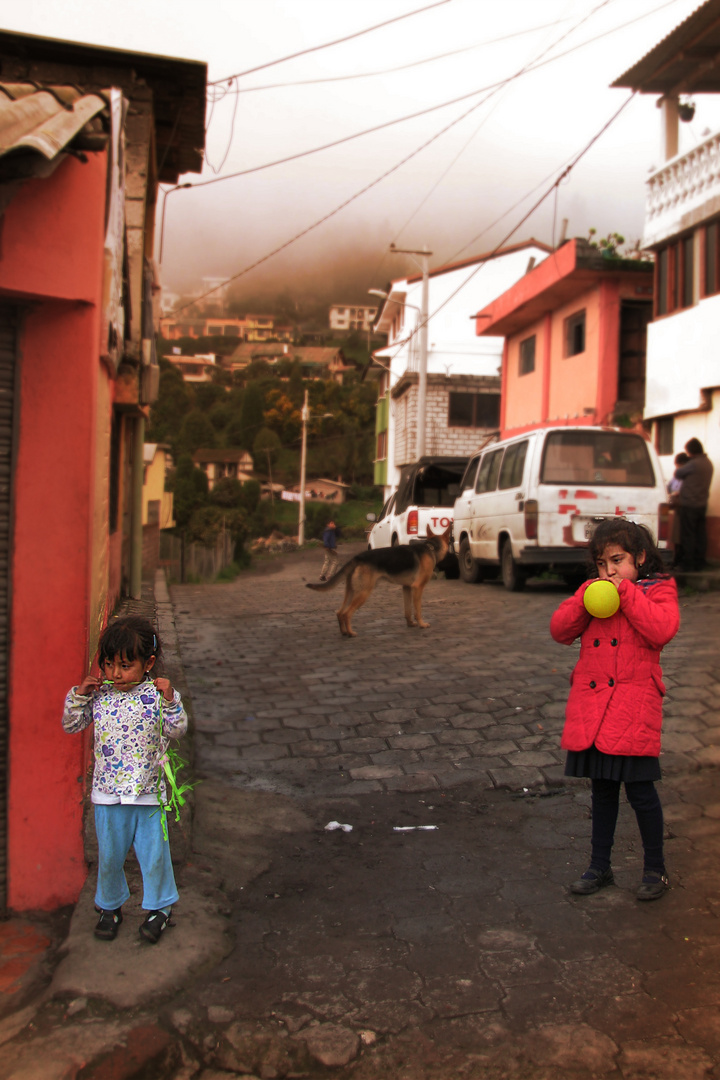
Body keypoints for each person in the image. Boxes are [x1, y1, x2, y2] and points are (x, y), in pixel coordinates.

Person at [550, 518, 680, 901]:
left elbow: (661, 630)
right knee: (602, 792)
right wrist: (584, 599)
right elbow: (560, 631)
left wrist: (626, 593)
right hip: (595, 709)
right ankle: (599, 866)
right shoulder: (593, 591)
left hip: (633, 708)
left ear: (640, 557)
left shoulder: (659, 589)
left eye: (618, 561)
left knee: (641, 793)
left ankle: (655, 869)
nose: (610, 571)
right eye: (602, 564)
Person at [62, 615, 188, 943]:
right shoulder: (100, 696)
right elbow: (71, 725)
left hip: (147, 796)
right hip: (108, 795)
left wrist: (171, 699)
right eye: (108, 665)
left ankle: (160, 908)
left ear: (147, 663)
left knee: (153, 856)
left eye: (125, 665)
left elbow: (178, 729)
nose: (115, 674)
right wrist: (79, 694)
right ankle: (110, 906)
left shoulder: (156, 698)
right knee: (110, 856)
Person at [674, 438, 714, 571]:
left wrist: (688, 461)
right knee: (700, 533)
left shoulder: (694, 464)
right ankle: (700, 561)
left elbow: (678, 473)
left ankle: (688, 564)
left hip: (690, 504)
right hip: (702, 504)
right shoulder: (708, 463)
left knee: (688, 534)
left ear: (692, 451)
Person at [668, 451, 689, 569]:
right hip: (677, 508)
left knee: (682, 537)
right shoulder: (677, 477)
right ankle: (676, 560)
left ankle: (681, 561)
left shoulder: (687, 477)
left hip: (684, 508)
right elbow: (669, 486)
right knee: (676, 537)